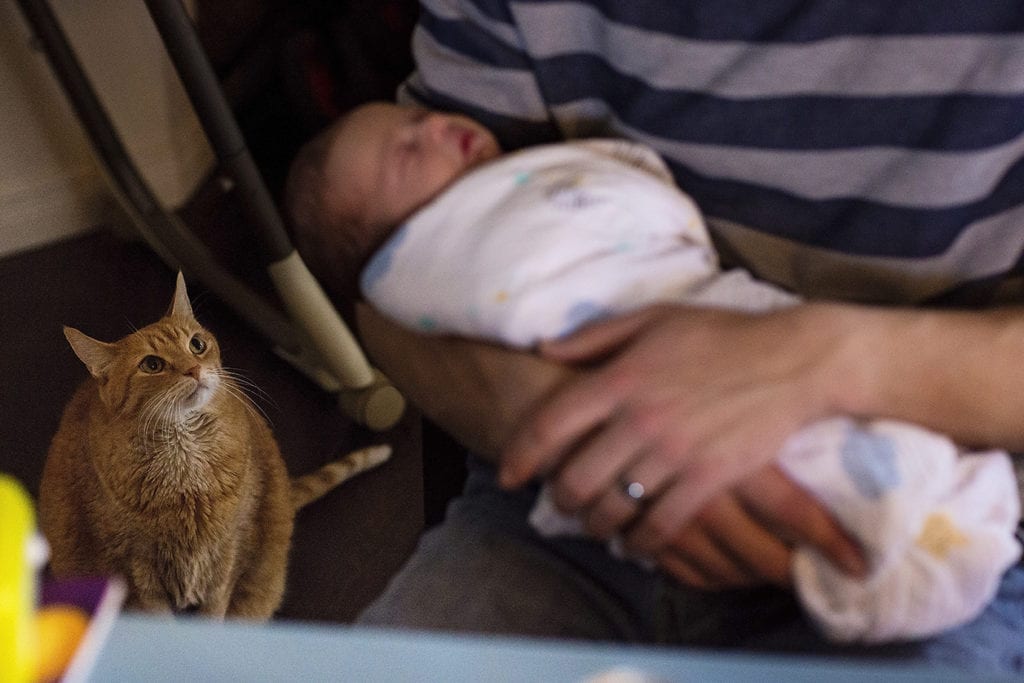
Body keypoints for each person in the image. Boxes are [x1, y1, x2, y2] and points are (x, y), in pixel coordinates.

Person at [287, 2, 1024, 672]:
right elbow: (387, 284)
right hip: (567, 505)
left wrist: (830, 359)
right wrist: (567, 416)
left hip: (940, 499)